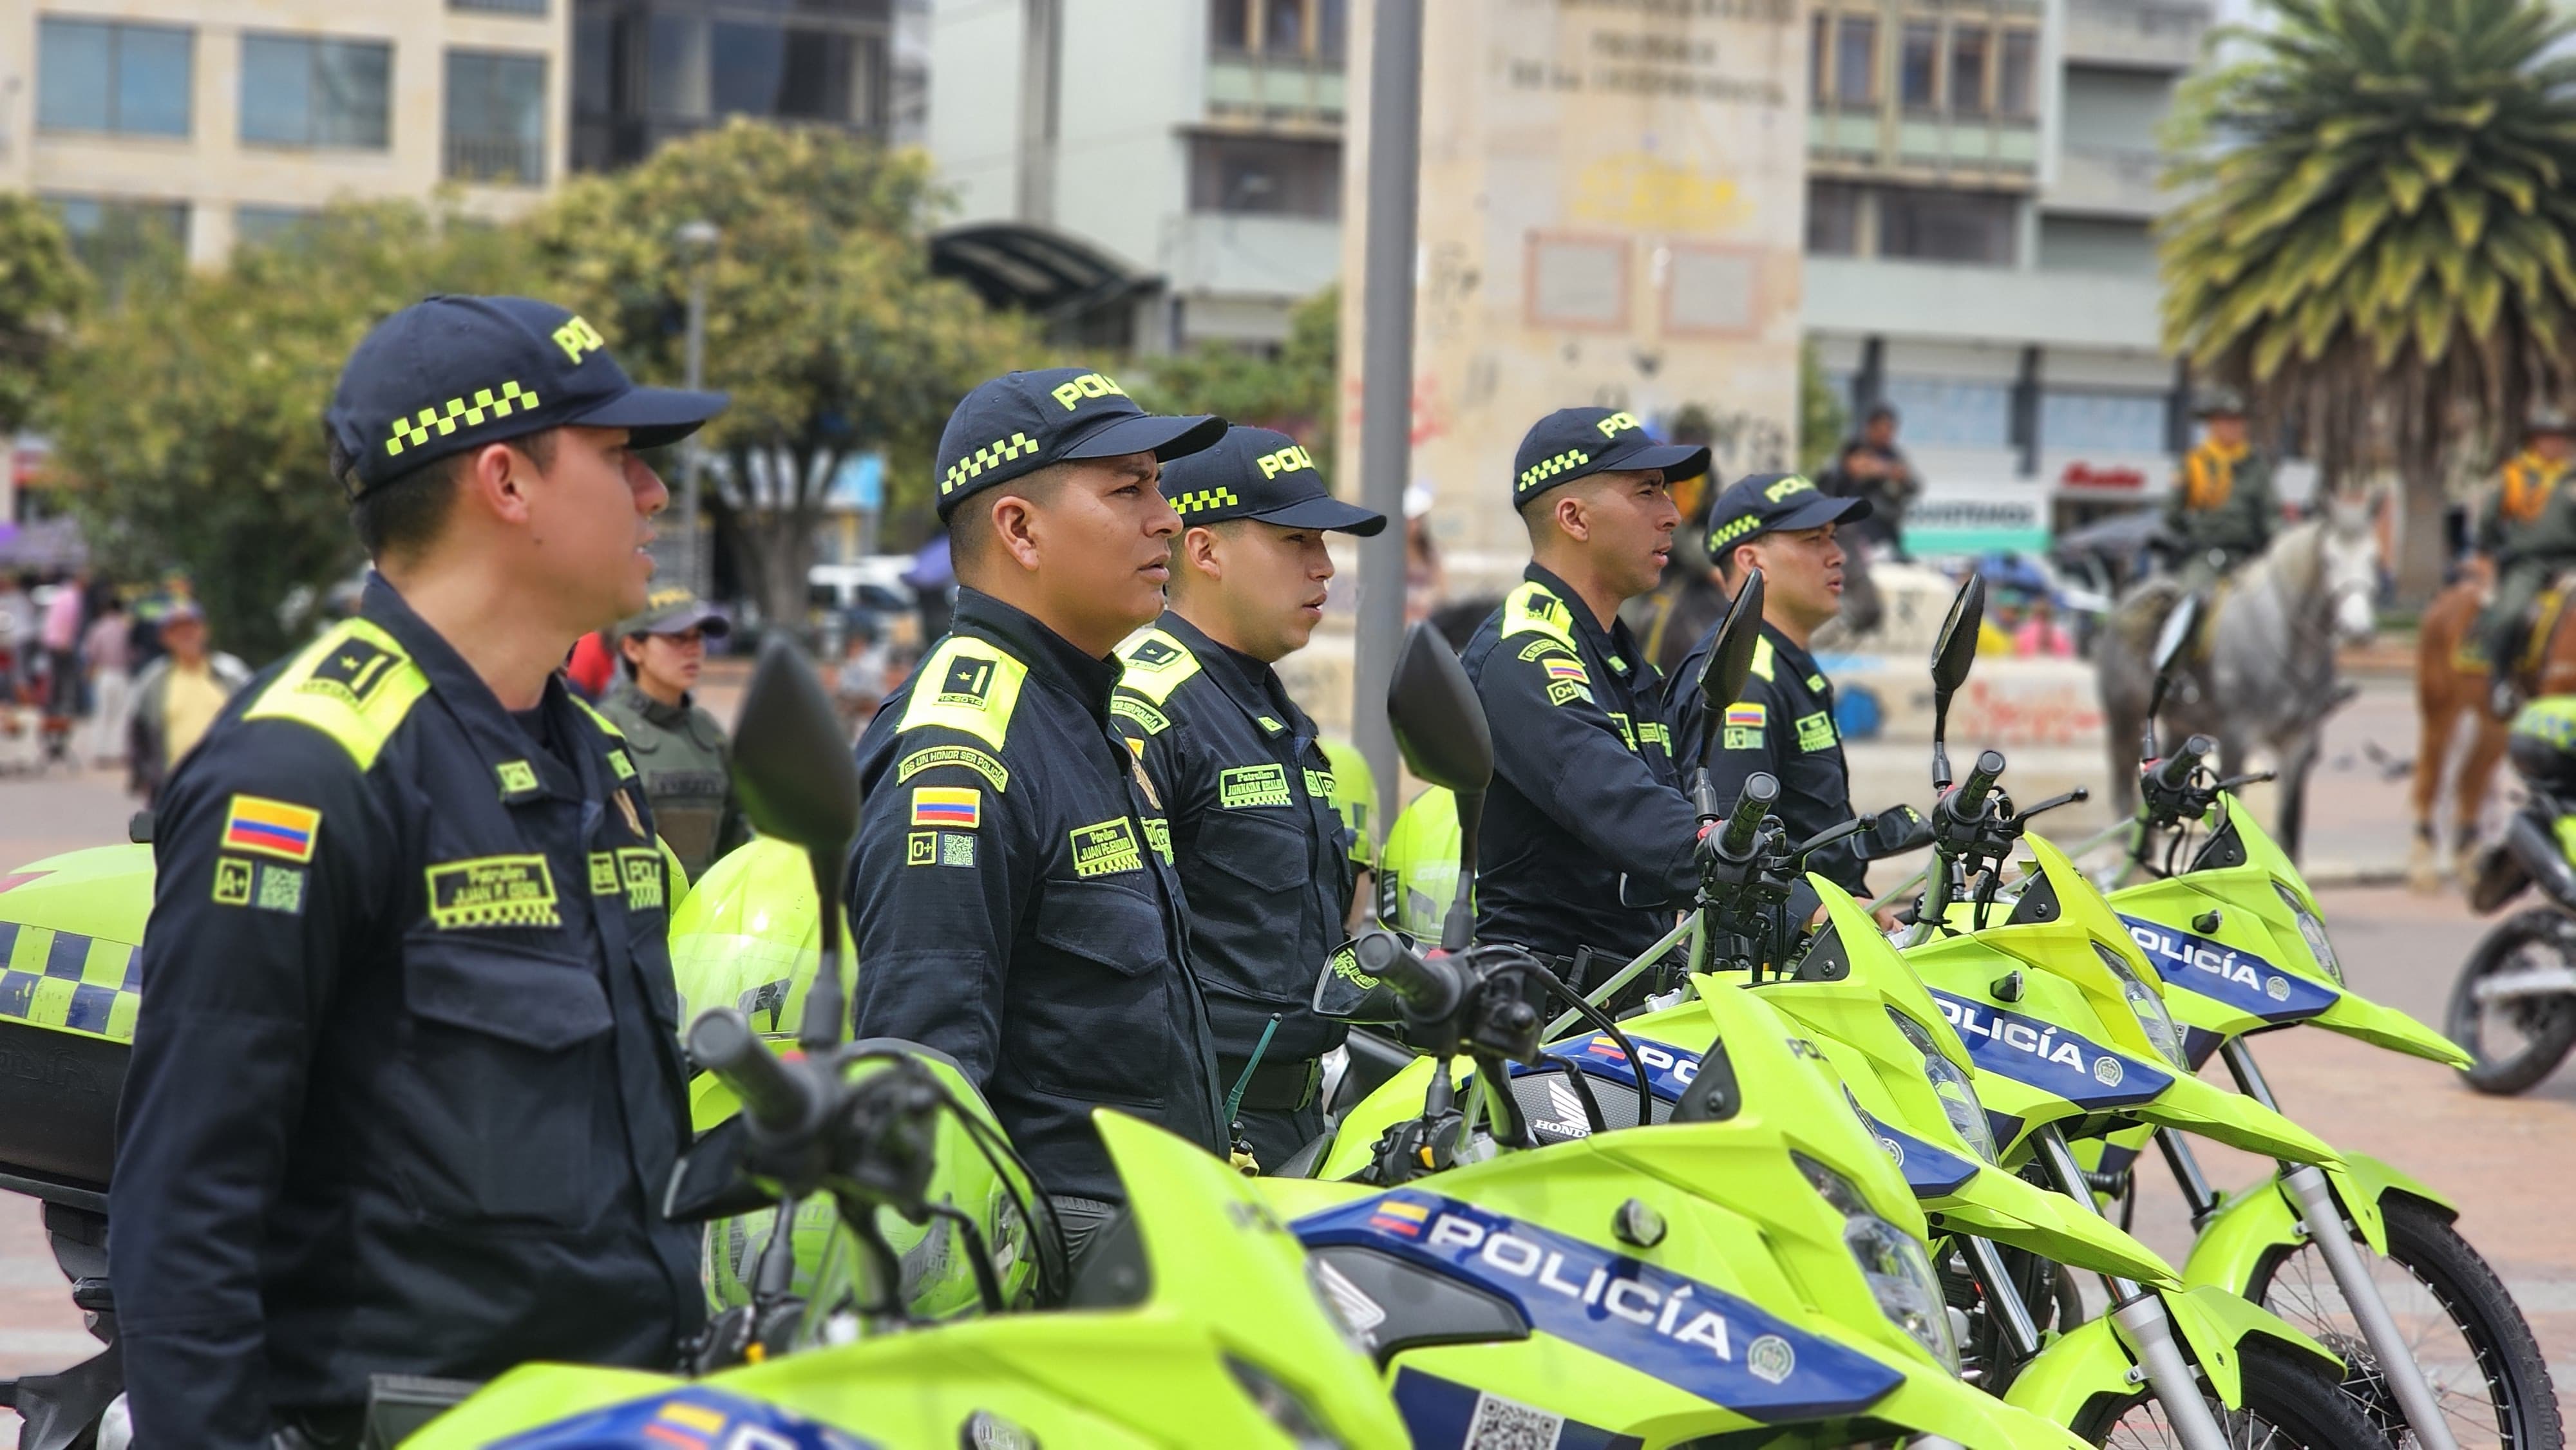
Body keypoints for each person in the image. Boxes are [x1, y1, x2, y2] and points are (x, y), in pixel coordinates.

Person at [111, 294, 726, 1449]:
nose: (655, 494)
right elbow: (189, 1205)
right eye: (620, 455)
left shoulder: (588, 752)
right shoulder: (302, 770)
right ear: (506, 481)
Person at [846, 367, 1229, 1258]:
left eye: (1159, 485)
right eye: (1128, 489)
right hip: (1061, 1295)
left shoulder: (1073, 713)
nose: (1167, 516)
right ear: (1019, 529)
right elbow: (925, 1103)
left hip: (1160, 1258)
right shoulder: (963, 751)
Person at [1110, 425, 1385, 1169]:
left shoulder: (1265, 706)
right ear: (1203, 550)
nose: (1325, 567)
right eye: (1296, 540)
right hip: (1202, 1121)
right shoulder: (1146, 702)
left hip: (1298, 1113)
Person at [1459, 408, 1712, 979]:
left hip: (1626, 999)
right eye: (1647, 493)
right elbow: (1625, 808)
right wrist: (1799, 902)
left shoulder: (1618, 656)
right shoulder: (1525, 652)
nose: (1671, 515)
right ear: (1574, 518)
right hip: (1548, 1019)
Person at [1668, 472, 1877, 901]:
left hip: (1828, 941)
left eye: (1834, 537)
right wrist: (1817, 915)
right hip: (1784, 958)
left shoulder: (1780, 661)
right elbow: (1733, 865)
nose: (1838, 555)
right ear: (1751, 560)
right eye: (1813, 539)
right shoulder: (1745, 680)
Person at [600, 587, 749, 879]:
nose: (693, 649)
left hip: (703, 914)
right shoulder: (605, 728)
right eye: (677, 638)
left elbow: (735, 833)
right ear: (633, 648)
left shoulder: (708, 733)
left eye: (698, 638)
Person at [2476, 406, 2576, 717]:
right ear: (2535, 441)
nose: (2555, 445)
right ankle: (2501, 683)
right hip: (2529, 564)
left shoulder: (2573, 479)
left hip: (2571, 562)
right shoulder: (2515, 476)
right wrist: (2497, 553)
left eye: (2561, 439)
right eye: (2548, 438)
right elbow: (2489, 523)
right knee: (2511, 613)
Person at [124, 601, 250, 804]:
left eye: (191, 627)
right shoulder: (153, 680)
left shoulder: (232, 673)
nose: (186, 635)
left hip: (229, 786)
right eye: (177, 630)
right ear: (164, 638)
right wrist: (144, 777)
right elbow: (137, 733)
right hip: (173, 789)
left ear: (205, 631)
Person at [2163, 386, 2276, 598]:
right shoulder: (2194, 463)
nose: (2232, 427)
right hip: (2205, 556)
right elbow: (2172, 515)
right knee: (2187, 601)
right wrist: (2194, 535)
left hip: (2247, 557)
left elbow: (2271, 515)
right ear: (2212, 425)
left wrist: (2277, 544)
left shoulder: (2257, 466)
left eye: (2238, 421)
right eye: (2226, 421)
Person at [1824, 403, 1920, 556]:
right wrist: (1873, 470)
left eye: (1890, 429)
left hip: (1887, 525)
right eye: (1881, 429)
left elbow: (1914, 486)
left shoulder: (1894, 455)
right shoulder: (1858, 448)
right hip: (1857, 525)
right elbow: (1840, 478)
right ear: (1870, 428)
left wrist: (1899, 476)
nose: (1885, 434)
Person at [81, 593, 133, 766]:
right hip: (122, 674)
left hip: (104, 674)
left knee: (102, 713)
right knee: (121, 714)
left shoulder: (98, 628)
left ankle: (100, 751)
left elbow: (91, 654)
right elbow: (131, 653)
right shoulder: (125, 628)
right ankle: (119, 751)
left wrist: (89, 673)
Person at [41, 566, 87, 715]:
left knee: (56, 675)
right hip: (62, 642)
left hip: (52, 641)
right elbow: (67, 621)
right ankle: (66, 708)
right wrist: (65, 641)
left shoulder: (60, 594)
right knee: (68, 676)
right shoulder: (73, 596)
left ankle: (52, 706)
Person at [1403, 480, 1446, 625]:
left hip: (1425, 622)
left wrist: (1426, 598)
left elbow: (1442, 589)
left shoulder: (1430, 553)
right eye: (1411, 520)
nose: (1415, 526)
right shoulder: (1390, 554)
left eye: (1418, 520)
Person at [2014, 594, 2077, 658]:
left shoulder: (2025, 629)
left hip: (2033, 662)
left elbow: (2018, 651)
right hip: (2050, 663)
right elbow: (2067, 653)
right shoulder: (2059, 631)